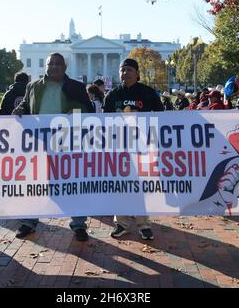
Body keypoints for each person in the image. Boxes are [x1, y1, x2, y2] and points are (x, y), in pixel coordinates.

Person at [12, 52, 94, 241]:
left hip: (68, 141)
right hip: (39, 142)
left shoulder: (76, 87)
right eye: (51, 63)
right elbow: (26, 104)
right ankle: (29, 222)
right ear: (46, 67)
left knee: (73, 183)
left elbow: (88, 111)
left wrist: (74, 112)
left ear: (65, 68)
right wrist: (20, 109)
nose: (54, 66)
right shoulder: (33, 86)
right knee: (36, 182)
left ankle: (79, 224)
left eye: (58, 63)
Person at [102, 58, 164, 240]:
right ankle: (121, 223)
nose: (125, 73)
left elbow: (162, 117)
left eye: (129, 70)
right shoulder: (112, 95)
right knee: (120, 186)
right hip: (120, 147)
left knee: (141, 186)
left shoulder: (148, 93)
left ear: (137, 73)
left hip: (143, 146)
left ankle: (144, 224)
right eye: (122, 70)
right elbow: (104, 122)